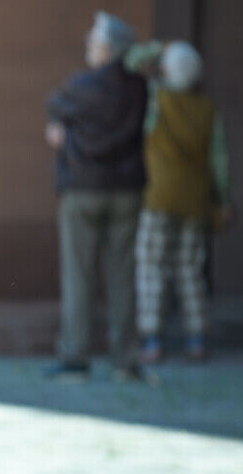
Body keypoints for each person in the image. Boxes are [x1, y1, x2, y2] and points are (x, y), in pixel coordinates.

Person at [45, 11, 153, 384]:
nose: (89, 46)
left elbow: (56, 109)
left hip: (83, 188)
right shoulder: (138, 88)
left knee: (79, 275)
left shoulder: (82, 86)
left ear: (107, 48)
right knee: (123, 275)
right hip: (126, 190)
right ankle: (125, 359)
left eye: (94, 40)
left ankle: (75, 357)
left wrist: (62, 134)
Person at [128, 39, 232, 363]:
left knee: (151, 267)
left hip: (157, 195)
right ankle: (197, 337)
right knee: (190, 271)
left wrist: (156, 49)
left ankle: (152, 339)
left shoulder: (156, 97)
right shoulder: (206, 109)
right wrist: (222, 198)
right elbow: (219, 160)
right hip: (195, 199)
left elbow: (130, 64)